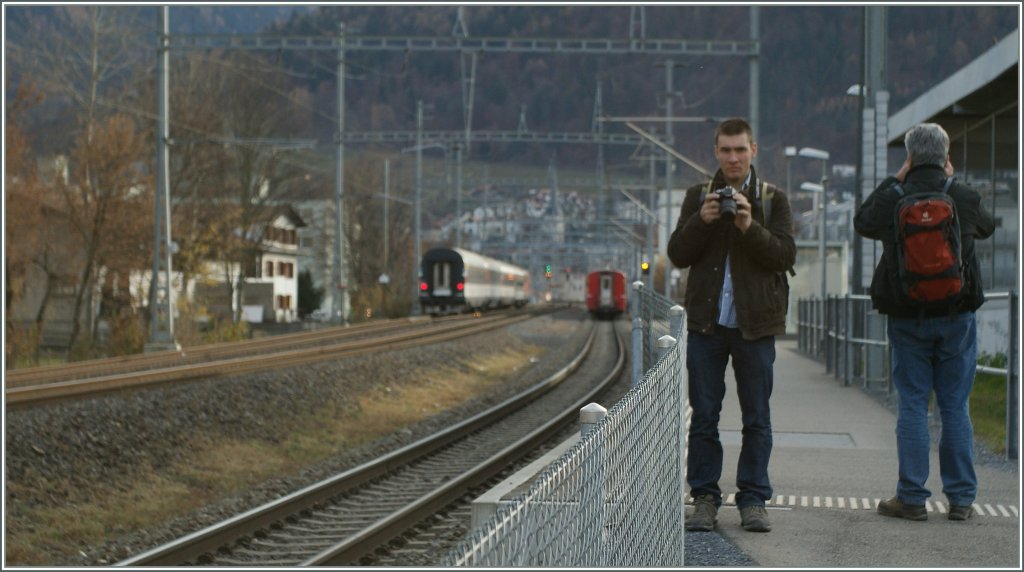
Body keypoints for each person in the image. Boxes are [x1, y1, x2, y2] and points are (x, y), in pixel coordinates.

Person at [854, 122, 995, 522]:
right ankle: (962, 499)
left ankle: (912, 498)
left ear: (910, 156)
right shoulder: (961, 197)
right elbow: (985, 227)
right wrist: (953, 182)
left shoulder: (896, 196)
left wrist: (896, 179)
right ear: (946, 155)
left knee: (914, 405)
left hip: (907, 318)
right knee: (955, 407)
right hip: (956, 315)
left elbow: (863, 222)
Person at [667, 117, 796, 533]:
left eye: (741, 150)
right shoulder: (697, 197)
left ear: (754, 150)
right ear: (716, 153)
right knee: (704, 415)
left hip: (755, 326)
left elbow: (783, 256)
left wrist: (747, 224)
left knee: (757, 417)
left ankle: (753, 499)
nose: (733, 158)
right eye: (726, 150)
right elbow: (678, 254)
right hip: (707, 325)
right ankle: (704, 497)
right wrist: (701, 220)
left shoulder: (774, 200)